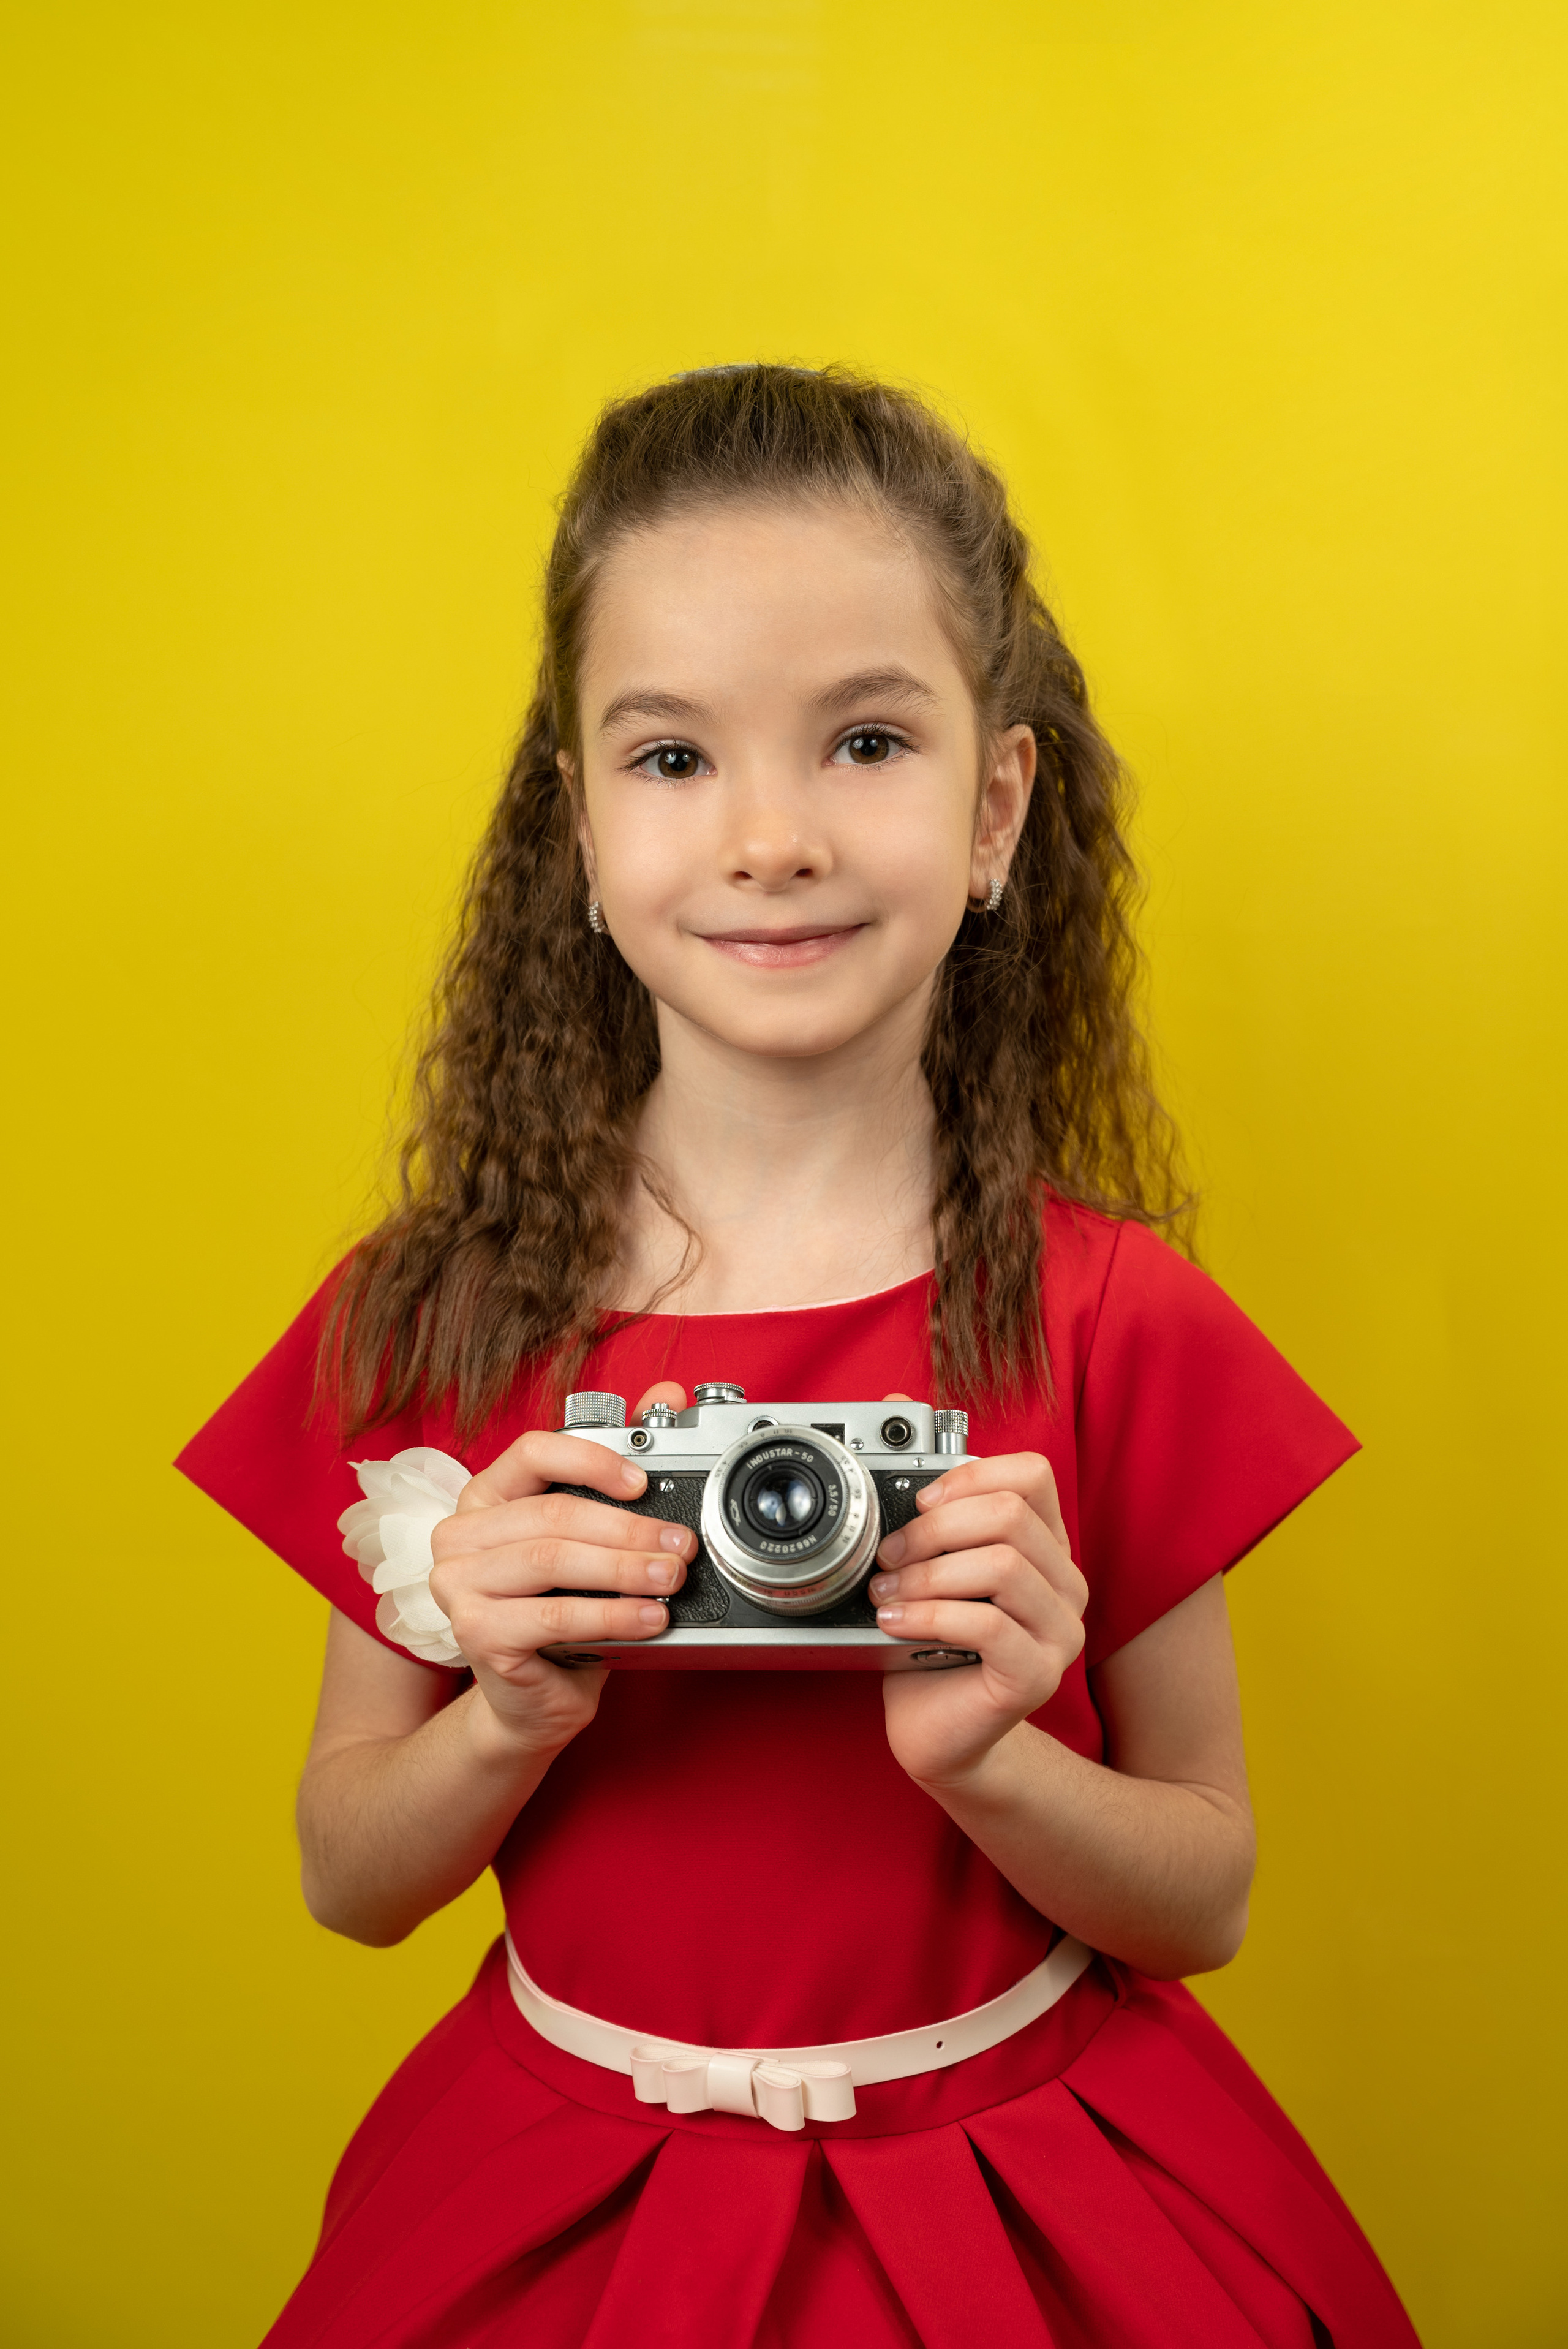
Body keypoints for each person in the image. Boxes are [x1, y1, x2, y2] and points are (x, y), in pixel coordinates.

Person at [179, 364, 1419, 2348]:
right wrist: (504, 1705)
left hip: (1036, 2187)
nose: (769, 837)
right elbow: (352, 1871)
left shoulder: (1108, 1315)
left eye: (863, 739)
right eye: (672, 759)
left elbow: (1206, 1897)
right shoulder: (445, 1307)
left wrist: (995, 1757)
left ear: (996, 802)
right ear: (575, 825)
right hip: (566, 2191)